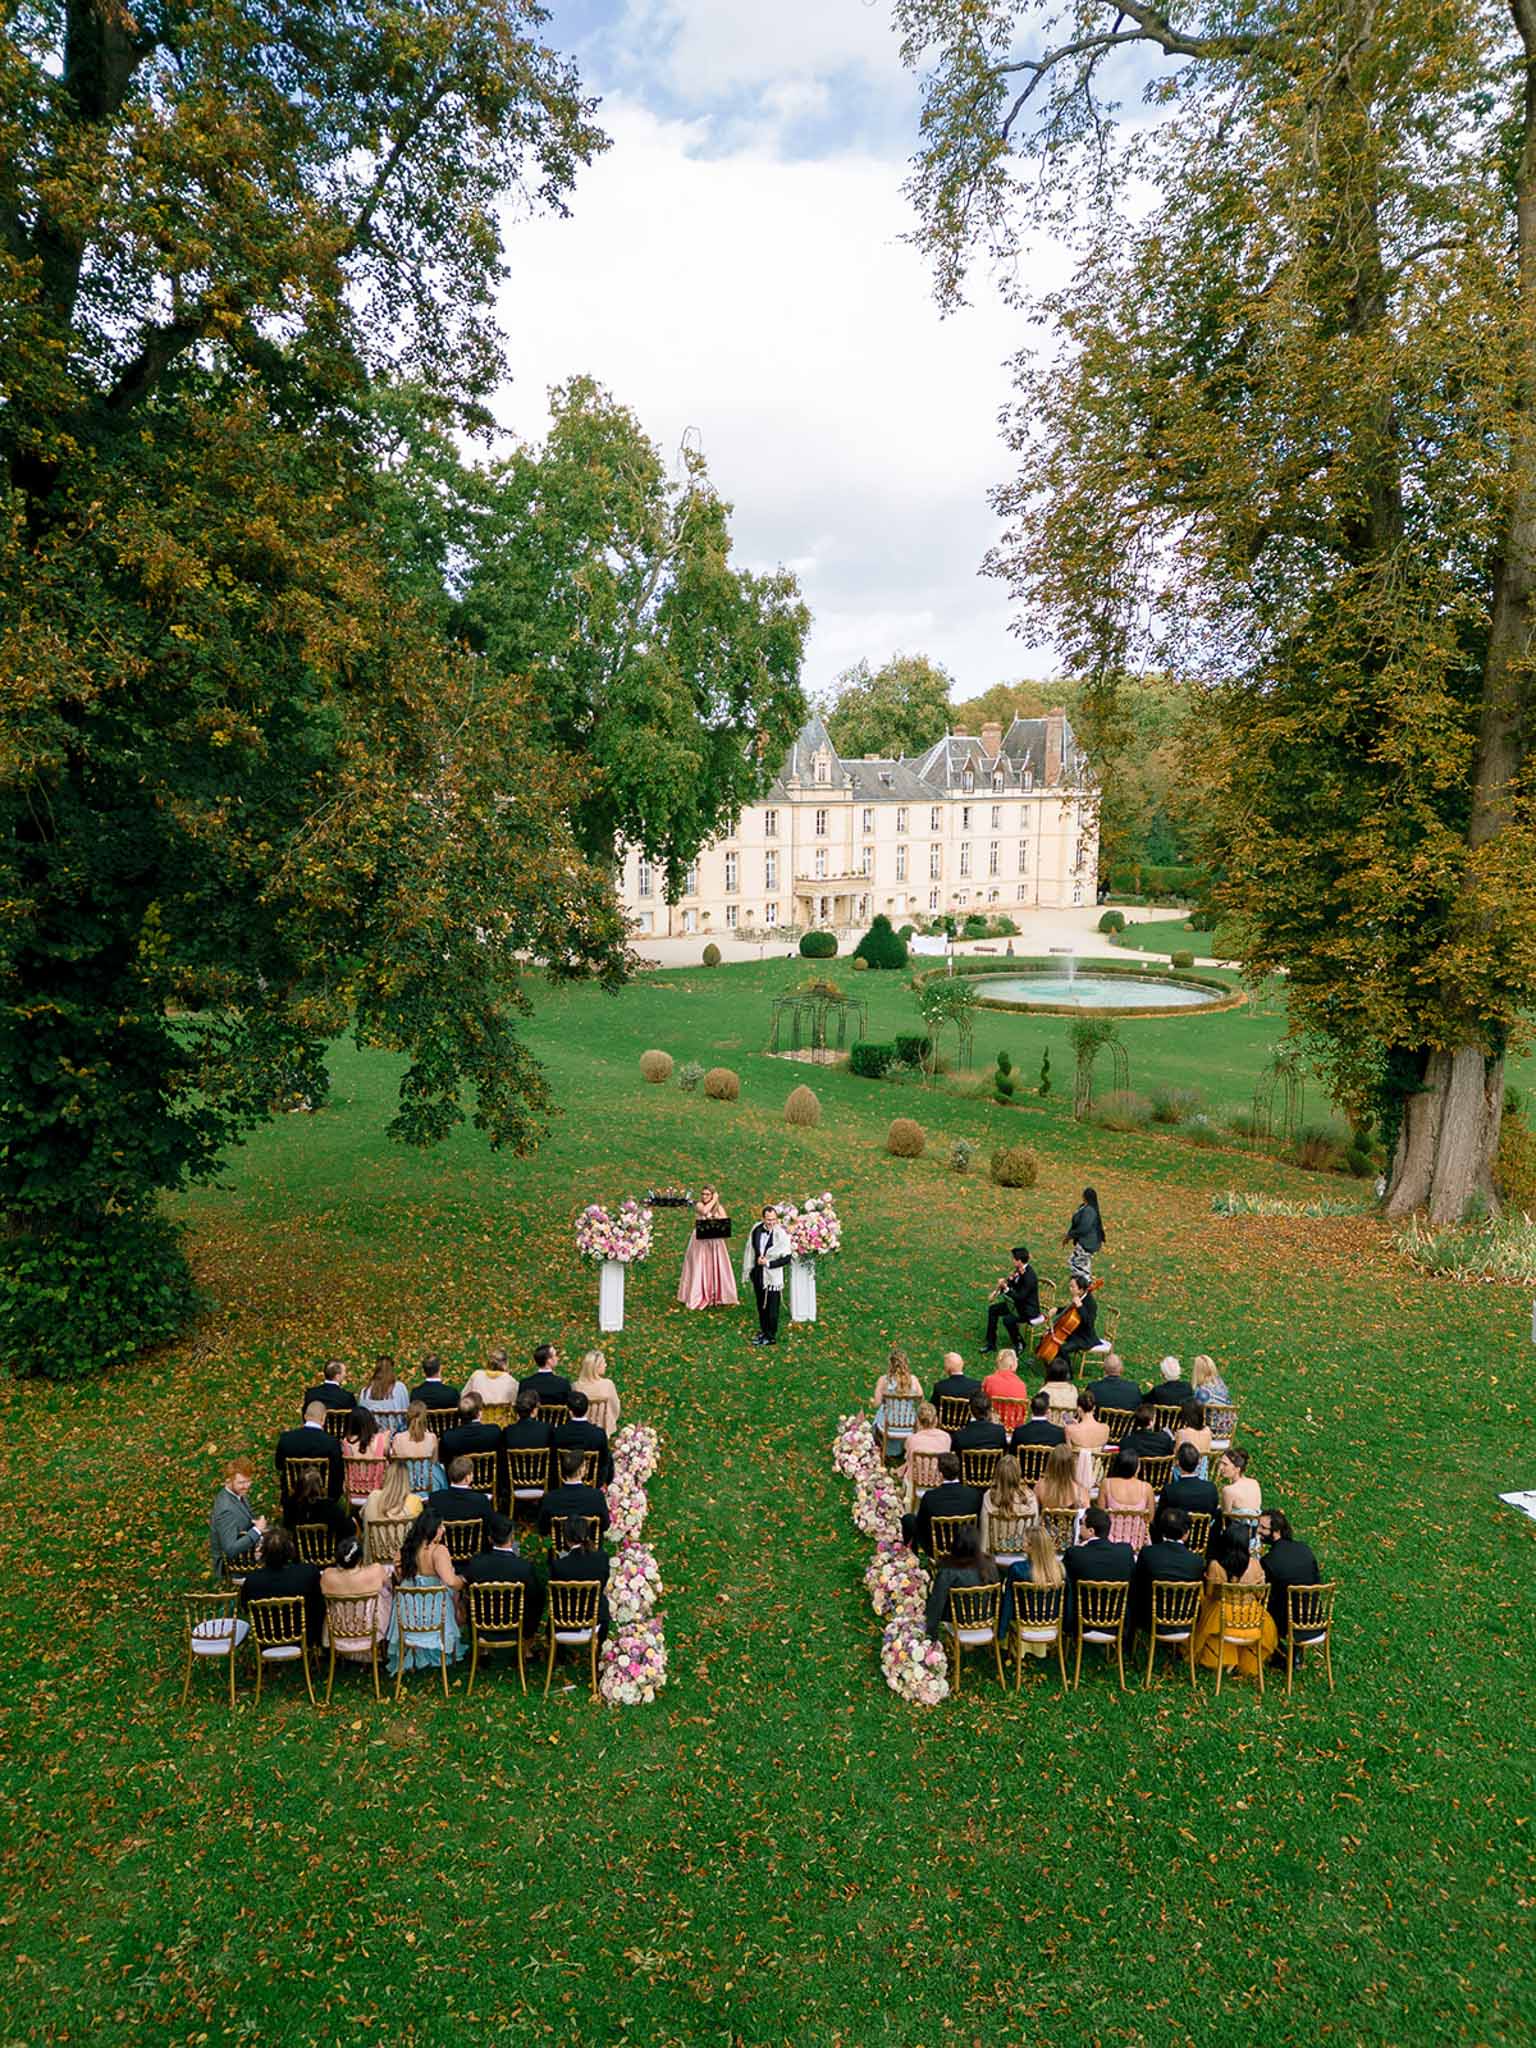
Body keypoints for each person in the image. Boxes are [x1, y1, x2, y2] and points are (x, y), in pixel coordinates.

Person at [388, 1512, 464, 1676]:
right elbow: (450, 1581)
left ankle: (415, 1653)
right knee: (453, 1594)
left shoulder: (406, 1549)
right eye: (441, 1526)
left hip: (409, 1609)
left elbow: (400, 1578)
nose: (443, 1530)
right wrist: (463, 1581)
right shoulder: (438, 1551)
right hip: (433, 1608)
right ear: (432, 1529)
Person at [1193, 1526, 1277, 1675]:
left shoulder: (1215, 1565)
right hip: (1251, 1618)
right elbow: (1261, 1596)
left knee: (1205, 1607)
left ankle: (1221, 1655)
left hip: (1221, 1618)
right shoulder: (1255, 1565)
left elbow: (1210, 1594)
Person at [459, 1511, 544, 1641]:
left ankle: (482, 1650)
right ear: (512, 1538)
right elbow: (536, 1598)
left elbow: (462, 1587)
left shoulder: (476, 1564)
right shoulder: (524, 1567)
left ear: (490, 1538)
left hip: (482, 1627)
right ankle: (526, 1647)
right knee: (535, 1599)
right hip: (515, 1626)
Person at [238, 1526, 325, 1647]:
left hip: (267, 1640)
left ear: (264, 1553)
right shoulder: (308, 1572)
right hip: (304, 1638)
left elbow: (246, 1608)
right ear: (290, 1550)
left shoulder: (253, 1580)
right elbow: (319, 1605)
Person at [1130, 1504, 1205, 1634]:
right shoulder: (1197, 1561)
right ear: (1186, 1533)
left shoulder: (1148, 1554)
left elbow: (1137, 1585)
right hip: (1185, 1621)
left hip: (1149, 1619)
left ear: (1161, 1530)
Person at [319, 1535, 393, 1659]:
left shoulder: (327, 1575)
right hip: (370, 1631)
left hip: (339, 1630)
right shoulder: (376, 1570)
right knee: (387, 1594)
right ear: (360, 1559)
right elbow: (391, 1587)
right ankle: (386, 1645)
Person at [1063, 1504, 1136, 1630]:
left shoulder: (1075, 1553)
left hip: (1082, 1620)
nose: (1079, 1526)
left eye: (1081, 1523)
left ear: (1091, 1531)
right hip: (1117, 1617)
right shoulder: (1125, 1551)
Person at [1258, 1509, 1322, 1652]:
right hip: (1316, 1618)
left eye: (1263, 1528)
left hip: (1289, 1622)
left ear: (1276, 1531)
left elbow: (1266, 1595)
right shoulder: (1304, 1548)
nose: (1258, 1530)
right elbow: (1317, 1580)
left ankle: (1276, 1651)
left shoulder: (1269, 1561)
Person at [924, 1524, 1000, 1641]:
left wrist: (930, 1634)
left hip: (958, 1620)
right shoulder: (989, 1564)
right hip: (986, 1617)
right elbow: (996, 1596)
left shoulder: (948, 1570)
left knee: (934, 1594)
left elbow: (937, 1602)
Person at [900, 1452, 982, 1558]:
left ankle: (913, 1556)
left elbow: (921, 1525)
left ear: (941, 1474)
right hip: (965, 1545)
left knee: (908, 1519)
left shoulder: (930, 1497)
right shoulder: (974, 1495)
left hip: (936, 1548)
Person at [548, 1516, 611, 1642]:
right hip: (596, 1618)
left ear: (566, 1538)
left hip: (564, 1620)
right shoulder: (602, 1559)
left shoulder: (558, 1566)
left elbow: (556, 1595)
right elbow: (603, 1584)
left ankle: (558, 1653)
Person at [1000, 1523, 1064, 1646]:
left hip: (1023, 1619)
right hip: (1051, 1621)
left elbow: (1008, 1601)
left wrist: (1001, 1631)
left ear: (1032, 1547)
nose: (1021, 1543)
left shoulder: (1017, 1569)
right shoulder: (1059, 1569)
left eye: (1024, 1541)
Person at [678, 1184, 739, 1309]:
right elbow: (705, 1211)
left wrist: (716, 1212)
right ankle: (698, 1293)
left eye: (707, 1194)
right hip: (700, 1241)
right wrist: (714, 1200)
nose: (704, 1196)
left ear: (712, 1195)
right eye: (703, 1194)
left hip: (714, 1240)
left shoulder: (719, 1208)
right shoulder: (699, 1205)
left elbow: (725, 1220)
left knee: (717, 1265)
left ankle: (718, 1293)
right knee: (699, 1265)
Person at [275, 1402, 344, 1506]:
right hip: (324, 1492)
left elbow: (279, 1465)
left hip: (294, 1491)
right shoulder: (332, 1442)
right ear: (323, 1418)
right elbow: (337, 1471)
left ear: (305, 1416)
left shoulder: (286, 1439)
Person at [741, 1205, 792, 1345]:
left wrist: (768, 1263)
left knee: (772, 1307)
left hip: (772, 1277)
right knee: (761, 1305)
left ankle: (771, 1336)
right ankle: (764, 1331)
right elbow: (752, 1249)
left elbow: (786, 1258)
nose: (771, 1223)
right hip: (758, 1273)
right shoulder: (756, 1230)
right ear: (763, 1218)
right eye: (768, 1220)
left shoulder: (781, 1235)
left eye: (774, 1219)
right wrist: (753, 1268)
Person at [538, 1447, 611, 1542]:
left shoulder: (550, 1498)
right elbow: (605, 1525)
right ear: (582, 1470)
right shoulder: (596, 1496)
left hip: (560, 1547)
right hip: (588, 1545)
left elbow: (543, 1528)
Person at [210, 1458, 266, 1577]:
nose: (246, 1486)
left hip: (247, 1546)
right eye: (241, 1482)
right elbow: (230, 1550)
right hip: (234, 1564)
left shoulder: (237, 1492)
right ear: (228, 1481)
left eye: (248, 1481)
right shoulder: (226, 1510)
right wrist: (257, 1531)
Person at [424, 1457, 494, 1548]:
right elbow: (489, 1530)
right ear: (467, 1478)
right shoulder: (481, 1500)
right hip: (475, 1549)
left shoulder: (435, 1498)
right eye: (471, 1473)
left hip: (444, 1548)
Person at [983, 1246, 1042, 1353]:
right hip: (1016, 1305)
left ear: (1019, 1261)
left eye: (1014, 1259)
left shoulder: (1030, 1276)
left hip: (1027, 1309)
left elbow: (1020, 1296)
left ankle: (1019, 1343)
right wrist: (998, 1291)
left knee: (1008, 1320)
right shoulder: (1019, 1270)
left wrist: (1006, 1289)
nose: (1012, 1260)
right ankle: (991, 1343)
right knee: (993, 1309)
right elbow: (1010, 1283)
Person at [552, 1389, 613, 1487]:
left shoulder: (559, 1432)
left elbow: (553, 1461)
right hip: (592, 1483)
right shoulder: (598, 1434)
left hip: (564, 1480)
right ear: (586, 1409)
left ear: (570, 1412)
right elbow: (604, 1462)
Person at [979, 1454, 1038, 1555]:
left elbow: (984, 1533)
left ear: (997, 1473)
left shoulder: (988, 1496)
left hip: (995, 1555)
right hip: (1022, 1555)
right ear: (1018, 1473)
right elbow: (1035, 1528)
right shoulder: (1030, 1497)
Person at [281, 1465, 356, 1543]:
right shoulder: (330, 1507)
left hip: (299, 1551)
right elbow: (350, 1529)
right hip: (328, 1552)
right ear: (320, 1486)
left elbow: (286, 1529)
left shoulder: (290, 1506)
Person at [1097, 1449, 1155, 1548]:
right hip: (1138, 1544)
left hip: (1110, 1542)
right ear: (1136, 1468)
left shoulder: (1106, 1483)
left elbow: (1099, 1514)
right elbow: (1150, 1518)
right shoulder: (1147, 1487)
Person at [1049, 1271, 1108, 1357]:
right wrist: (1057, 1309)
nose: (1070, 1289)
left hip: (1085, 1337)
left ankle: (1066, 1370)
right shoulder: (1078, 1297)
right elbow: (1071, 1310)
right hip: (1075, 1332)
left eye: (1072, 1287)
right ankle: (1052, 1362)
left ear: (1081, 1290)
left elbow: (1089, 1323)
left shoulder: (1091, 1304)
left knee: (1063, 1349)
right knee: (1050, 1335)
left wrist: (1080, 1306)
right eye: (1070, 1286)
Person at [439, 1391, 502, 1471]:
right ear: (479, 1413)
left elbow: (443, 1463)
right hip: (487, 1478)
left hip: (458, 1478)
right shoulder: (494, 1432)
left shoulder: (448, 1437)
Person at [872, 1347, 922, 1443]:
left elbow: (876, 1404)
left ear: (890, 1364)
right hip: (910, 1426)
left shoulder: (883, 1380)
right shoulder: (914, 1380)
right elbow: (920, 1399)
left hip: (887, 1426)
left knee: (880, 1412)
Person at [389, 1402, 443, 1490]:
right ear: (425, 1417)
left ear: (407, 1417)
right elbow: (434, 1463)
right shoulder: (432, 1437)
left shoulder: (397, 1438)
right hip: (428, 1485)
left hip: (404, 1484)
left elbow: (395, 1464)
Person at [1160, 1441, 1220, 1518]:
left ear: (1178, 1462)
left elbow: (1160, 1518)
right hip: (1202, 1529)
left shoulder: (1169, 1490)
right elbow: (1213, 1515)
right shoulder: (1211, 1488)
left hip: (1177, 1529)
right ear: (1199, 1462)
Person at [362, 1455, 422, 1531]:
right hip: (403, 1542)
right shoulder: (415, 1500)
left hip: (373, 1542)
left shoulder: (373, 1496)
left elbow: (363, 1516)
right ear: (407, 1479)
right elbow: (418, 1530)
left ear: (387, 1476)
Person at [1034, 1441, 1091, 1515]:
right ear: (1072, 1465)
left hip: (1047, 1525)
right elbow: (1086, 1514)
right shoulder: (1080, 1489)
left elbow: (1035, 1512)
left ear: (1051, 1462)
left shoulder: (1040, 1486)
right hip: (1071, 1526)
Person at [1063, 1184, 1106, 1281]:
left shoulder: (1089, 1211)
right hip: (1084, 1241)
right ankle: (1080, 1281)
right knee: (1081, 1262)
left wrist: (1070, 1235)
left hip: (1087, 1242)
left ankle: (1084, 1282)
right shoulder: (1084, 1207)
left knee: (1076, 1262)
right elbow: (1076, 1223)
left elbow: (1084, 1228)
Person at [574, 1348, 621, 1434]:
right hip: (602, 1431)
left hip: (578, 1431)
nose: (606, 1365)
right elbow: (615, 1408)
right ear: (596, 1367)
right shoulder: (607, 1385)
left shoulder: (576, 1386)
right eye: (604, 1363)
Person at [901, 1401, 951, 1479]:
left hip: (916, 1481)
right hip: (938, 1480)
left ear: (917, 1421)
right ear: (936, 1420)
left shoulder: (912, 1439)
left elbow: (909, 1460)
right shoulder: (946, 1437)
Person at [950, 1392, 1008, 1457]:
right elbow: (1004, 1453)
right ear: (989, 1410)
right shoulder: (999, 1432)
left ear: (970, 1411)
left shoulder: (959, 1435)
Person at [358, 1355, 409, 1426]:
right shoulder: (400, 1387)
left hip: (369, 1433)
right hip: (394, 1433)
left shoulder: (365, 1391)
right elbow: (405, 1411)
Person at [981, 1346, 1030, 1414]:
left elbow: (981, 1403)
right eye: (1016, 1361)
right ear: (1012, 1366)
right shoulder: (1022, 1385)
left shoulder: (989, 1380)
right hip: (1014, 1423)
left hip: (991, 1422)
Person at [522, 1344, 572, 1410]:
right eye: (556, 1355)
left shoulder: (525, 1384)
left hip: (532, 1419)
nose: (557, 1358)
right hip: (556, 1420)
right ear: (549, 1360)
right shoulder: (563, 1384)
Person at [1219, 1447, 1262, 1522]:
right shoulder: (1254, 1483)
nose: (1220, 1467)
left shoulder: (1228, 1490)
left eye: (1225, 1464)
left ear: (1237, 1469)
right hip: (1255, 1528)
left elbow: (1225, 1517)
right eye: (1220, 1463)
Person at [1174, 1402, 1213, 1480]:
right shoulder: (1208, 1430)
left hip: (1184, 1472)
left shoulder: (1182, 1433)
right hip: (1201, 1473)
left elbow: (1176, 1455)